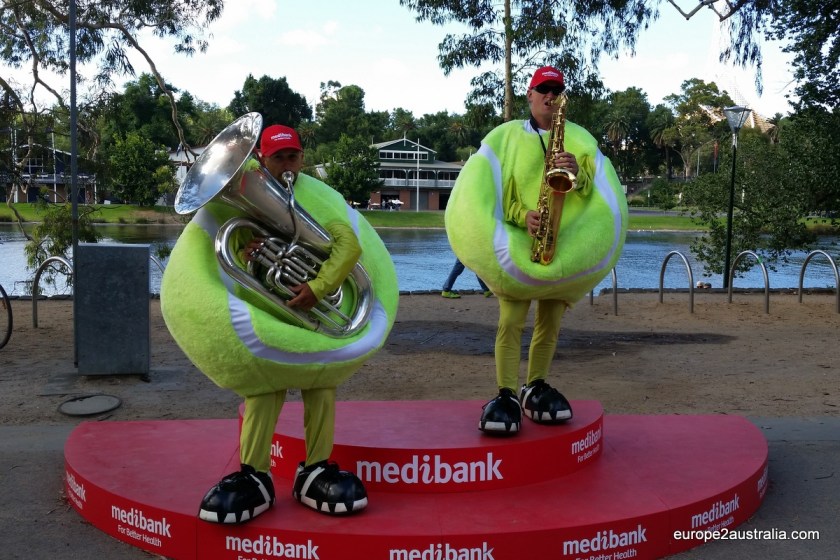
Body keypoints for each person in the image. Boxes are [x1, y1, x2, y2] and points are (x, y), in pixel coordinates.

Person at [178, 124, 373, 523]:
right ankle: (255, 474)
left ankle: (316, 466)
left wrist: (318, 288)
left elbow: (349, 246)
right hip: (275, 312)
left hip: (311, 309)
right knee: (265, 391)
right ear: (261, 160)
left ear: (303, 158)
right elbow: (230, 253)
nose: (287, 164)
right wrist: (251, 253)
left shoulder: (315, 200)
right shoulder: (241, 202)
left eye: (293, 156)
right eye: (278, 157)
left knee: (322, 386)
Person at [445, 66, 626, 436]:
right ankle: (507, 393)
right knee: (510, 322)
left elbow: (594, 189)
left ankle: (537, 385)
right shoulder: (508, 137)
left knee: (550, 324)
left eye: (556, 90)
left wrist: (577, 171)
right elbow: (501, 191)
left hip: (565, 244)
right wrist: (521, 216)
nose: (550, 95)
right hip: (522, 243)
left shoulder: (577, 138)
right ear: (529, 95)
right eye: (543, 89)